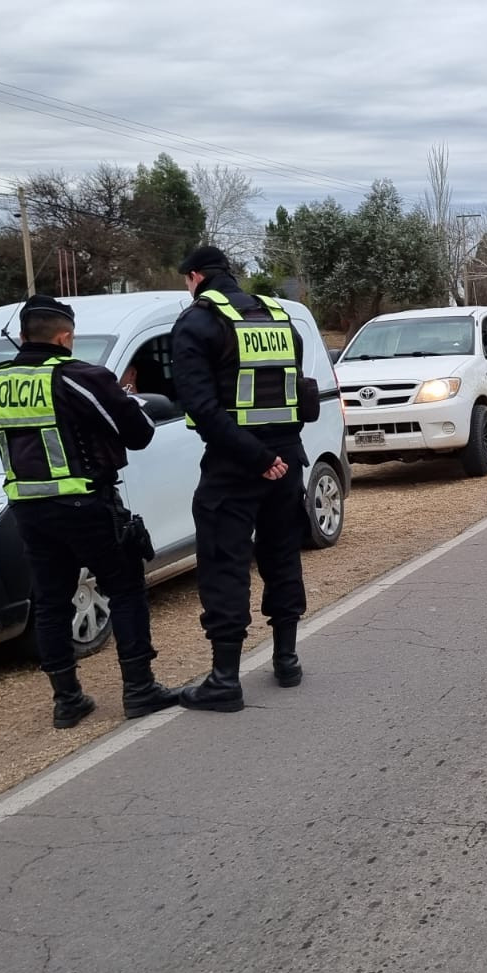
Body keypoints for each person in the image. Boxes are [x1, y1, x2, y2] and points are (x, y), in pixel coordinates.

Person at [0, 295, 178, 729]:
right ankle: (140, 690)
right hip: (86, 503)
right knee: (125, 591)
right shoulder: (79, 377)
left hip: (29, 510)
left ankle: (67, 700)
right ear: (65, 336)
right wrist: (126, 400)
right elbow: (140, 433)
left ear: (23, 335)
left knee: (51, 602)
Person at [172, 246, 309, 711]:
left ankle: (224, 679)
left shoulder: (198, 321)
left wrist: (255, 456)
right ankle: (286, 659)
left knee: (224, 563)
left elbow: (202, 408)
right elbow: (298, 392)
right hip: (287, 456)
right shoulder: (277, 315)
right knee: (282, 555)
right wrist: (275, 454)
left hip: (236, 461)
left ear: (194, 277)